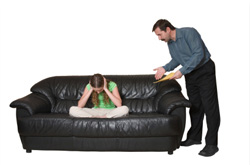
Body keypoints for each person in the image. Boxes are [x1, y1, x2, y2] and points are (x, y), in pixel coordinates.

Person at [152, 19, 220, 157]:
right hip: (191, 74)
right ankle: (195, 137)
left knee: (209, 107)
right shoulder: (170, 43)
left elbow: (198, 54)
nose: (159, 38)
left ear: (168, 29)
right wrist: (165, 68)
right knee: (195, 106)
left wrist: (182, 71)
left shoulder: (189, 33)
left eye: (160, 35)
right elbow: (177, 59)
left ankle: (212, 144)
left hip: (204, 71)